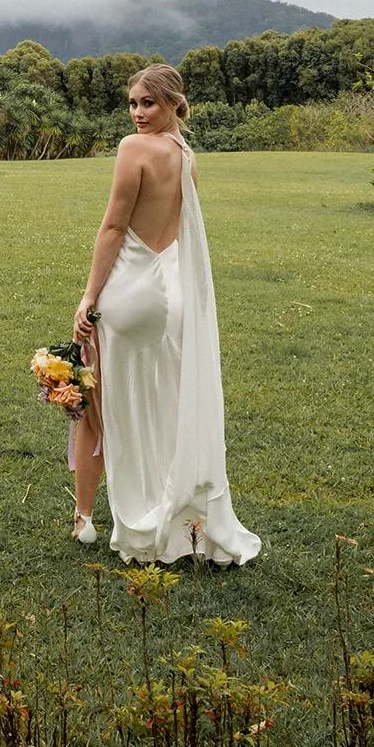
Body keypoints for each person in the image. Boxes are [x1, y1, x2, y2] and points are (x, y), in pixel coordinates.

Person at [69, 64, 261, 565]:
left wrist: (89, 297)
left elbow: (113, 227)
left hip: (130, 292)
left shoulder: (135, 150)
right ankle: (172, 509)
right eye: (132, 103)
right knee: (163, 407)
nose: (137, 113)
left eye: (147, 103)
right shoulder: (187, 157)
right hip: (171, 292)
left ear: (175, 102)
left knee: (106, 408)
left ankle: (115, 518)